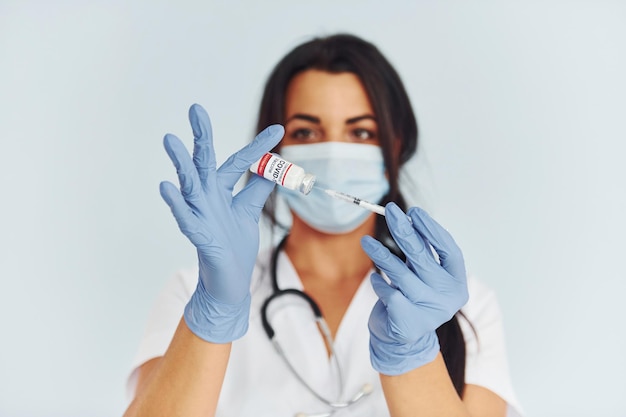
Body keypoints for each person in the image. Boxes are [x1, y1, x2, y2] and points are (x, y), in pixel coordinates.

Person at [124, 33, 522, 417]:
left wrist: (412, 354)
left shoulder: (459, 306)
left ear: (396, 146)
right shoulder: (191, 292)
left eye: (361, 132)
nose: (334, 153)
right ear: (275, 152)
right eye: (306, 132)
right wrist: (213, 312)